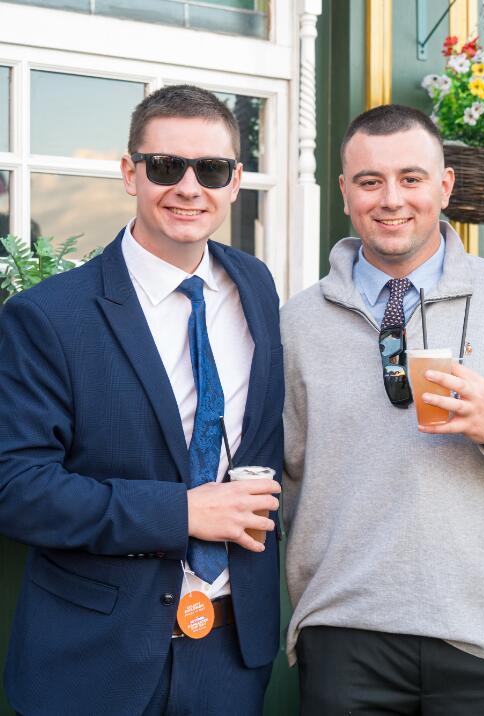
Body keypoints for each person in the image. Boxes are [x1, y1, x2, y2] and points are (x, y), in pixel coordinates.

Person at [281, 104, 484, 715]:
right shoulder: (298, 321)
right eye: (370, 181)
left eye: (411, 178)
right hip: (346, 635)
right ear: (345, 193)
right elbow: (287, 473)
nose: (391, 199)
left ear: (445, 186)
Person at [0, 84, 284, 716]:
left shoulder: (256, 286)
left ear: (235, 181)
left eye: (211, 169)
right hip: (94, 660)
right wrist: (179, 512)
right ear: (130, 173)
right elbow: (15, 486)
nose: (189, 186)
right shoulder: (47, 317)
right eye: (166, 166)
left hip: (233, 651)